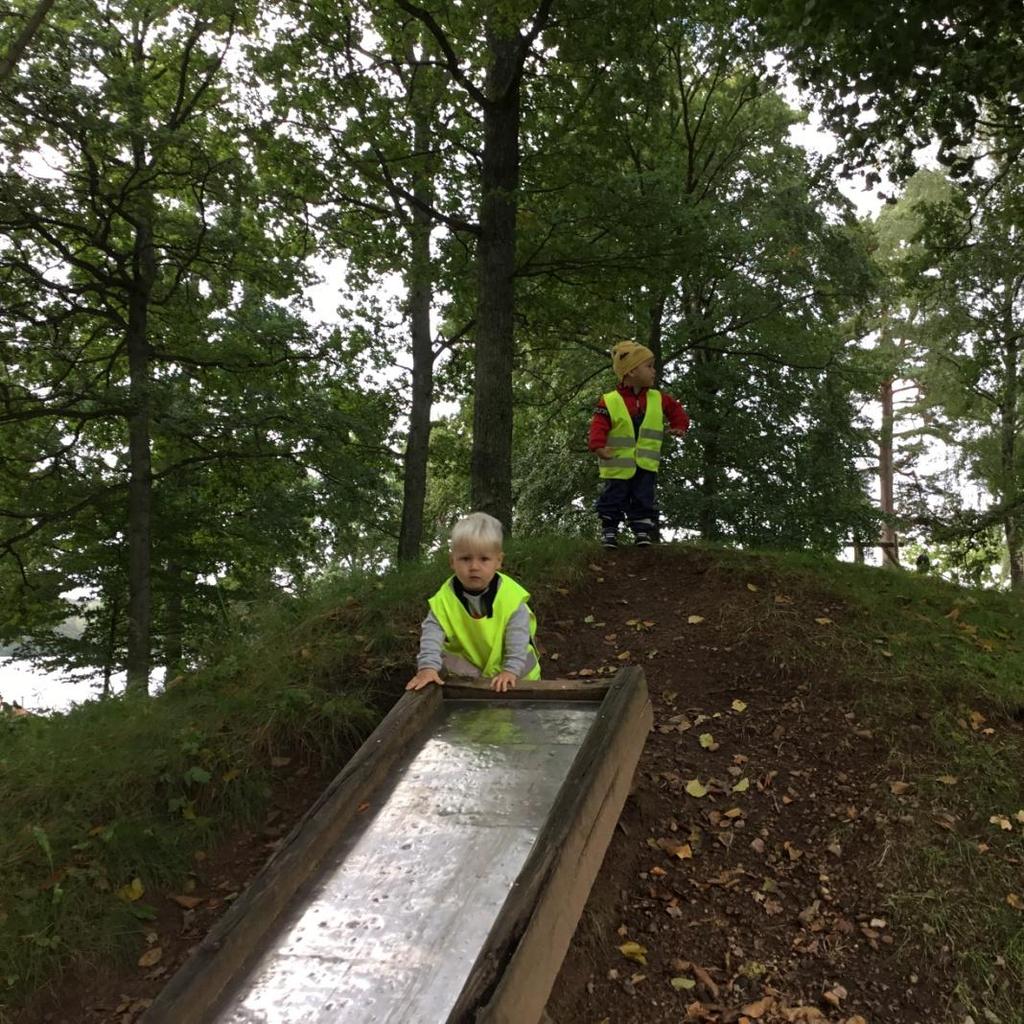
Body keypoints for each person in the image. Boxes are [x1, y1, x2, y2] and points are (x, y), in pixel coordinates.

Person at [406, 512, 541, 693]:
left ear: (498, 561)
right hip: (470, 677)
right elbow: (431, 635)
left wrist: (510, 671)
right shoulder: (444, 599)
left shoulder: (512, 597)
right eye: (466, 559)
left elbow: (518, 637)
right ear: (452, 561)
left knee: (518, 718)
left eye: (484, 559)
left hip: (518, 677)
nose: (474, 567)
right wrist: (427, 668)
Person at [588, 340, 689, 548]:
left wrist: (680, 426)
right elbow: (598, 424)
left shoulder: (658, 398)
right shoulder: (609, 400)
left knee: (644, 497)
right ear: (632, 371)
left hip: (646, 463)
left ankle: (642, 531)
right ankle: (609, 531)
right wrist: (598, 446)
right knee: (612, 497)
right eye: (649, 366)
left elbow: (676, 411)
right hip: (617, 464)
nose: (654, 371)